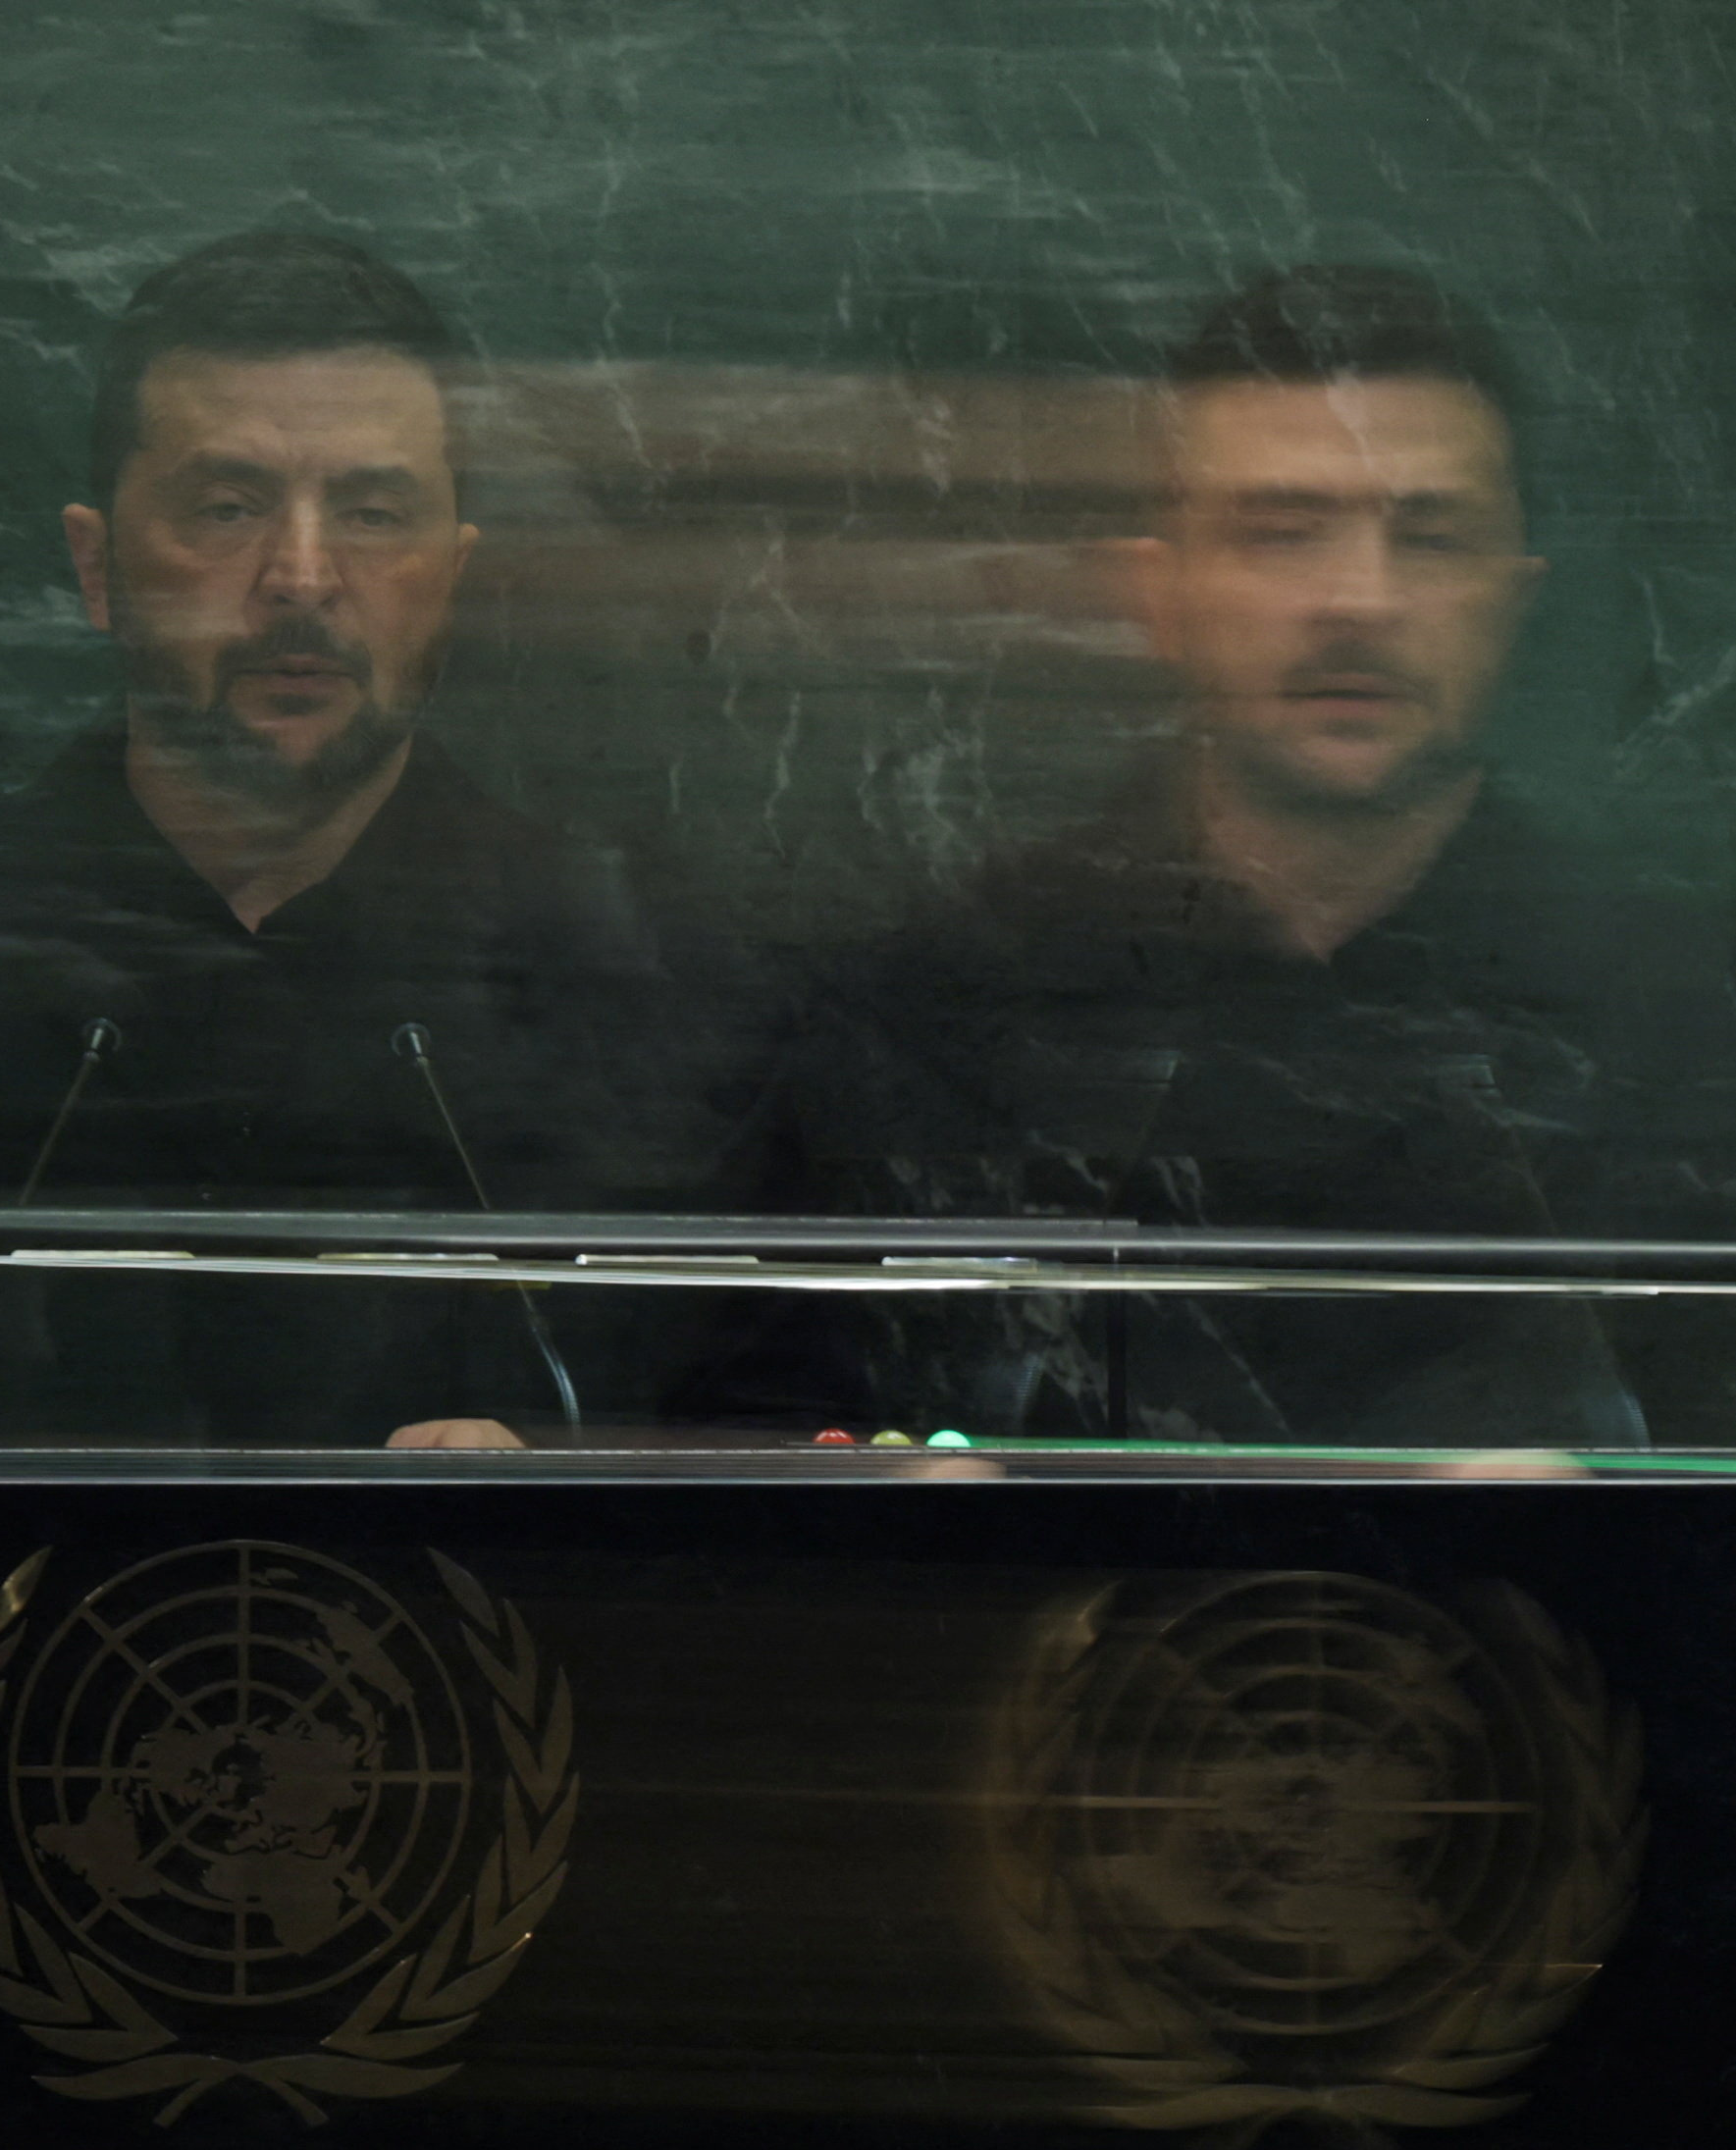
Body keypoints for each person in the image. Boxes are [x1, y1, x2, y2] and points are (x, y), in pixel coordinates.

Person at [0, 232, 688, 1449]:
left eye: (373, 512)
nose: (302, 577)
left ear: (454, 573)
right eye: (228, 507)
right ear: (97, 567)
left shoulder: (638, 990)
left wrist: (575, 1474)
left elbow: (823, 1431)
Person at [741, 264, 1729, 1447]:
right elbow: (764, 1442)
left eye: (1432, 535)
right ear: (1160, 590)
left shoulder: (1691, 1024)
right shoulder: (932, 1012)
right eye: (1281, 532)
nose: (1359, 599)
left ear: (1514, 599)